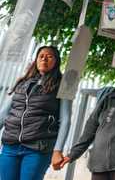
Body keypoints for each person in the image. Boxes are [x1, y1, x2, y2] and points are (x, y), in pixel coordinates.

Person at [0, 46, 72, 180]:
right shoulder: (22, 82)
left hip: (38, 149)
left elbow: (66, 119)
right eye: (41, 56)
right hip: (10, 145)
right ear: (36, 60)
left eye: (49, 56)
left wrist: (58, 150)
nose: (44, 58)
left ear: (56, 61)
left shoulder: (63, 85)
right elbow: (4, 113)